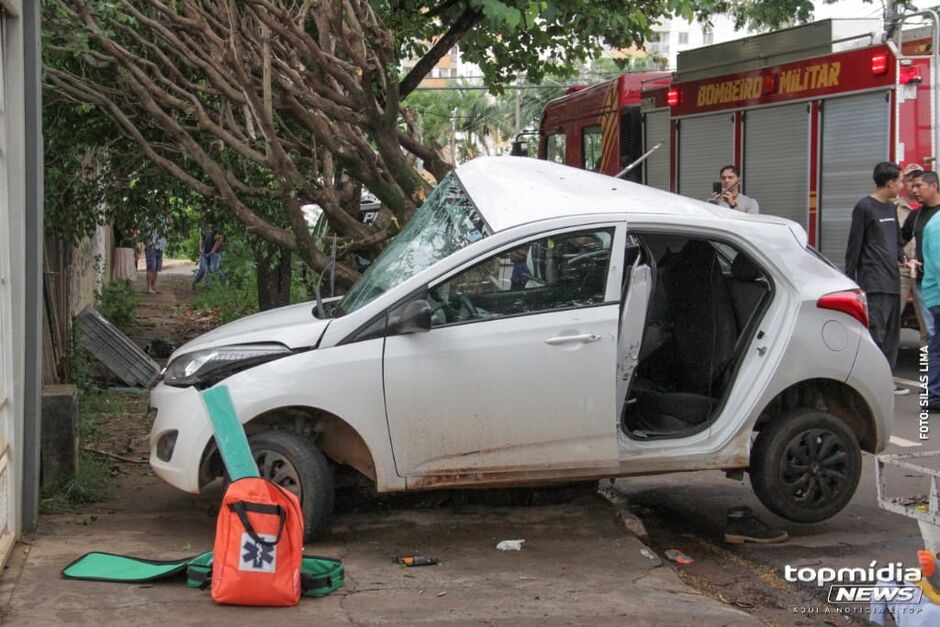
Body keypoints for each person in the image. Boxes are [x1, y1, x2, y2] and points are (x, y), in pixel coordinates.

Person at [845, 162, 908, 395]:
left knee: (892, 335)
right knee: (877, 332)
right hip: (874, 281)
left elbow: (896, 241)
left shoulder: (891, 209)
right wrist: (850, 281)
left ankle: (885, 380)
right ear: (890, 183)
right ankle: (872, 382)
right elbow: (854, 246)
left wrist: (904, 258)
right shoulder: (864, 207)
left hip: (893, 280)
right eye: (900, 181)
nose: (902, 186)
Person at [902, 170, 940, 344]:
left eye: (919, 186)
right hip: (925, 285)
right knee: (931, 333)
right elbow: (898, 242)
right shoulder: (915, 216)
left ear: (934, 186)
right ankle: (927, 371)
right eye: (912, 185)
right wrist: (906, 259)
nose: (914, 190)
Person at [898, 164, 928, 346]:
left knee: (927, 325)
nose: (914, 186)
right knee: (891, 322)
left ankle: (926, 371)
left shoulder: (930, 210)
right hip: (900, 271)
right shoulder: (894, 207)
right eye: (910, 180)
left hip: (923, 272)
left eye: (918, 182)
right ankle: (885, 368)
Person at [920, 211, 940, 410]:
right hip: (938, 296)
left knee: (937, 346)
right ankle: (933, 394)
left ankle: (933, 394)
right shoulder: (937, 225)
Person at [192, 219, 225, 290]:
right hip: (205, 251)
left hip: (215, 252)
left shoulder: (217, 228)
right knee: (203, 269)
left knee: (214, 269)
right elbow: (201, 239)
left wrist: (212, 251)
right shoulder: (203, 228)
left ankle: (224, 282)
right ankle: (195, 284)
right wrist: (200, 249)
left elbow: (218, 241)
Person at [144, 222, 168, 295]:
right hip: (152, 244)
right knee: (151, 267)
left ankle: (153, 287)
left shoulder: (164, 216)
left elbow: (171, 222)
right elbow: (145, 230)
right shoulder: (150, 216)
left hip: (160, 246)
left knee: (156, 268)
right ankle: (149, 288)